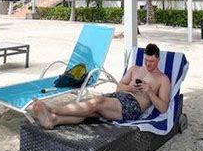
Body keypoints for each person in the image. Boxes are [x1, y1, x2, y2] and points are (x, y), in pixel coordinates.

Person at [31, 43, 171, 129]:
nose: (148, 64)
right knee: (90, 110)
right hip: (119, 97)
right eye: (146, 60)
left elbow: (164, 108)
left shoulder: (163, 79)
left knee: (97, 102)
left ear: (158, 59)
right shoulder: (135, 69)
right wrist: (130, 88)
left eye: (151, 61)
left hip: (133, 107)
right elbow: (119, 87)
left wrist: (150, 91)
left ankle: (52, 108)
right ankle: (54, 120)